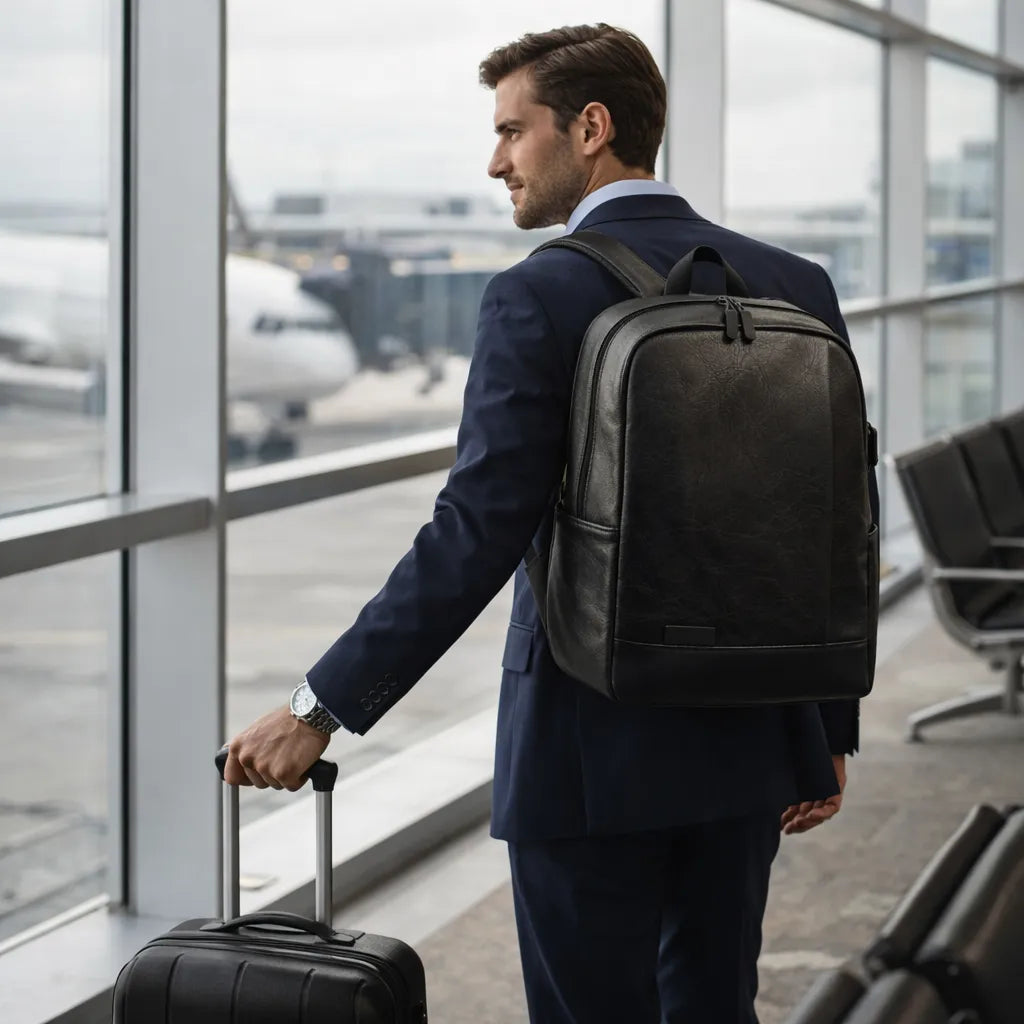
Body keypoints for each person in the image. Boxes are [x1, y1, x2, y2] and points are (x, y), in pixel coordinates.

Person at [225, 23, 876, 1024]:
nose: (496, 163)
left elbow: (477, 528)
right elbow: (838, 519)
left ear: (591, 128)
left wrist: (318, 709)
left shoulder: (538, 294)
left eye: (510, 131)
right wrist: (823, 725)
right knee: (713, 1005)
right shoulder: (795, 284)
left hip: (588, 750)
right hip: (753, 733)